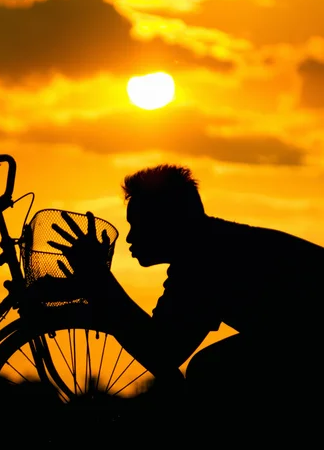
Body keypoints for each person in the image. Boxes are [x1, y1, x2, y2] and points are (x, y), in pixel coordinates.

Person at [47, 164, 324, 425]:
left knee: (210, 372)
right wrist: (97, 286)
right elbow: (160, 343)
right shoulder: (207, 244)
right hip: (299, 339)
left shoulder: (205, 258)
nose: (130, 238)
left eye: (138, 225)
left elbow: (163, 351)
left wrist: (99, 281)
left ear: (165, 223)